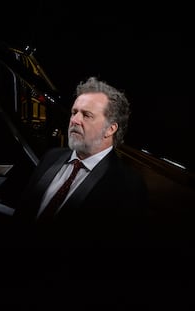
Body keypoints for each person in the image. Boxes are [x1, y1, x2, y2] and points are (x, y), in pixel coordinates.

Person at [12, 76, 148, 244]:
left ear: (110, 129)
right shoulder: (51, 157)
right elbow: (21, 215)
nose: (74, 120)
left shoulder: (129, 185)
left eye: (87, 115)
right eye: (74, 112)